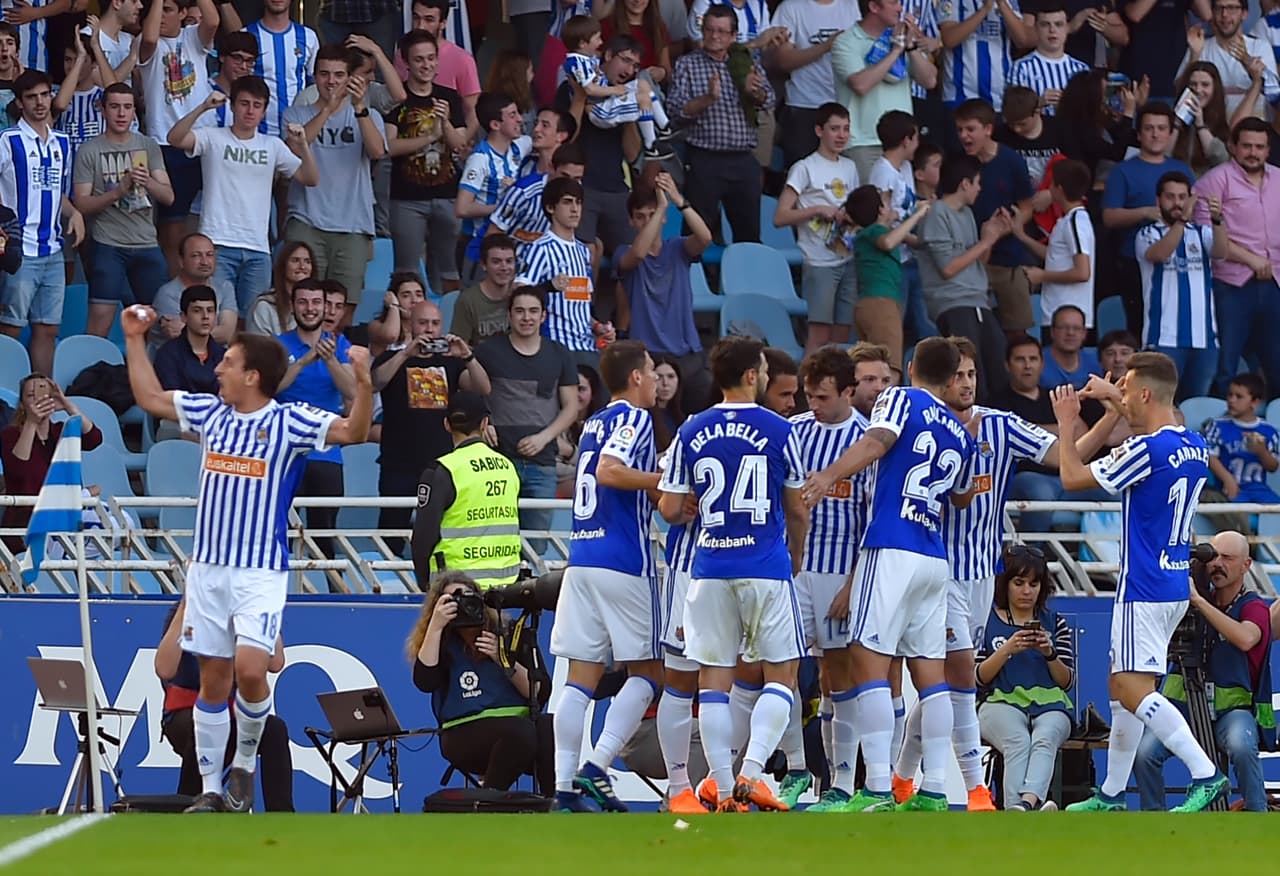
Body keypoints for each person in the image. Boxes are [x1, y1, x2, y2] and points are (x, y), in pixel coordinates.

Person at [121, 305, 372, 813]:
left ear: (252, 376)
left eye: (228, 363)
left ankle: (246, 762)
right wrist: (132, 337)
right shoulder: (211, 414)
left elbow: (354, 433)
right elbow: (148, 397)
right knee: (214, 680)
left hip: (258, 569)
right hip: (208, 568)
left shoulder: (289, 421)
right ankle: (212, 791)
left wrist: (364, 383)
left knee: (252, 671)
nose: (218, 369)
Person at [892, 335, 1114, 810]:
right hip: (934, 572)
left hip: (981, 577)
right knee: (952, 683)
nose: (966, 383)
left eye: (971, 374)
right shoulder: (918, 425)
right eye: (956, 375)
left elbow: (1063, 457)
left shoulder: (1000, 426)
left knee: (947, 686)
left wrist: (1099, 420)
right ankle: (958, 788)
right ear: (937, 379)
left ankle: (903, 781)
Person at [800, 337, 976, 812]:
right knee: (930, 676)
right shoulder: (962, 431)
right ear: (950, 376)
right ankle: (934, 787)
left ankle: (876, 787)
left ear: (911, 368)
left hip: (891, 545)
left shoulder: (899, 399)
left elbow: (878, 441)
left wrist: (826, 474)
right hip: (934, 554)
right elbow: (962, 495)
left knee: (868, 661)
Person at [1051, 352, 1229, 812]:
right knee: (1121, 692)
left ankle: (1205, 772)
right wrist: (1114, 398)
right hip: (1173, 582)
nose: (1124, 397)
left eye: (1128, 390)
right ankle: (1110, 793)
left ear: (1145, 393)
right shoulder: (1192, 444)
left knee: (1132, 689)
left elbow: (1071, 477)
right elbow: (1148, 409)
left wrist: (1068, 423)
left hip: (1143, 585)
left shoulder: (1143, 450)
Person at [657, 336, 808, 813]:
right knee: (782, 675)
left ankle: (722, 791)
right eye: (762, 370)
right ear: (751, 375)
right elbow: (798, 507)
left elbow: (668, 507)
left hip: (708, 568)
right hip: (764, 567)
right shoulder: (780, 429)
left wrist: (693, 507)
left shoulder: (690, 430)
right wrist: (796, 553)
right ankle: (752, 772)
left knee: (712, 683)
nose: (764, 376)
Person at [551, 340, 663, 812]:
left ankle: (562, 789)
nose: (657, 379)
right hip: (623, 560)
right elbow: (610, 473)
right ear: (636, 377)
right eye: (653, 371)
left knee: (580, 678)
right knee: (651, 672)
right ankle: (596, 768)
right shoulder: (634, 418)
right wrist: (664, 481)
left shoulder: (593, 421)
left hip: (581, 556)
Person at [787, 346, 878, 811]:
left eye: (822, 397)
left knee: (837, 679)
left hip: (840, 571)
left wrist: (852, 584)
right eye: (808, 396)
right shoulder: (792, 433)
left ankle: (841, 782)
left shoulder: (868, 442)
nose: (813, 405)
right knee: (781, 673)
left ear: (847, 391)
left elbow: (872, 523)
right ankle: (799, 771)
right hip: (791, 573)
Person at [1133, 530, 1273, 812]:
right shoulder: (1186, 597)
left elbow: (1246, 638)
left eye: (1228, 558)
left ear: (1246, 565)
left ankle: (1259, 816)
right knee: (1144, 753)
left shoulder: (1252, 606)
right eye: (1213, 557)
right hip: (1182, 706)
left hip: (1230, 711)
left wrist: (1199, 602)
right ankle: (1154, 822)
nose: (1217, 564)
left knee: (1242, 746)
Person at [167, 76, 318, 316]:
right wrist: (203, 107)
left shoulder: (273, 145)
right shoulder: (212, 137)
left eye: (257, 105)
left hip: (258, 248)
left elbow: (310, 178)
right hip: (217, 243)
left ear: (264, 110)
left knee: (252, 322)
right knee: (214, 317)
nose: (250, 111)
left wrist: (303, 146)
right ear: (233, 105)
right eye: (244, 103)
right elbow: (174, 138)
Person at [408, 570, 553, 793]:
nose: (463, 605)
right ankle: (489, 800)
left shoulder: (509, 633)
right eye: (453, 600)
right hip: (464, 730)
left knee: (549, 728)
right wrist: (435, 627)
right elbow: (425, 682)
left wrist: (503, 659)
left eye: (469, 597)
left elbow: (540, 693)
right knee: (518, 731)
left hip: (520, 723)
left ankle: (555, 803)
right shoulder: (442, 642)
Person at [156, 599, 294, 811]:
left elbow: (275, 663)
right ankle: (187, 802)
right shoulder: (186, 609)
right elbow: (164, 668)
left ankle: (281, 815)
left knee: (275, 729)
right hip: (185, 709)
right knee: (199, 723)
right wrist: (186, 607)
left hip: (234, 711)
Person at [377, 302, 491, 556]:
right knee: (391, 531)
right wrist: (406, 353)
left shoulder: (450, 363)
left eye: (435, 323)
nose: (429, 329)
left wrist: (467, 356)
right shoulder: (392, 357)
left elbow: (483, 388)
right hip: (399, 463)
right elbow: (376, 382)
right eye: (423, 323)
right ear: (411, 324)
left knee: (438, 530)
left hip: (441, 464)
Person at [283, 43, 387, 316]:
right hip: (307, 219)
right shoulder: (296, 114)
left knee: (344, 308)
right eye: (324, 74)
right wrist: (327, 110)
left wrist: (360, 108)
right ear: (315, 77)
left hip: (353, 224)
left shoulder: (369, 114)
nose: (331, 81)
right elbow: (293, 149)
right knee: (301, 302)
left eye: (339, 75)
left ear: (351, 78)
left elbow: (377, 152)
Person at [474, 287, 580, 545]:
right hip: (497, 461)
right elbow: (469, 395)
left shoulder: (559, 353)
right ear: (509, 315)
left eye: (533, 311)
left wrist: (544, 438)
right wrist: (483, 423)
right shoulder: (489, 350)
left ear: (543, 316)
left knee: (536, 545)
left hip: (542, 463)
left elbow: (571, 407)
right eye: (519, 311)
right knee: (495, 542)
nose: (526, 317)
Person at [975, 545, 1075, 811]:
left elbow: (1067, 682)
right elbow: (977, 678)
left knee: (1046, 736)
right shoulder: (985, 620)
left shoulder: (1055, 622)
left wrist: (1049, 653)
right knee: (1017, 740)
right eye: (1018, 583)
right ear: (1004, 584)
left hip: (1051, 703)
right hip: (999, 703)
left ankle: (1024, 806)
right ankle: (1025, 807)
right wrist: (1007, 649)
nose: (1027, 591)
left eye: (1034, 584)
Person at [0, 71, 86, 378]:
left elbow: (53, 190)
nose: (40, 102)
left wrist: (73, 211)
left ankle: (40, 401)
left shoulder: (62, 143)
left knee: (47, 328)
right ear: (20, 103)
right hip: (20, 249)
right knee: (10, 327)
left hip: (53, 249)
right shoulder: (8, 140)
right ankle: (5, 398)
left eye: (44, 94)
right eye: (32, 97)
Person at [667, 6, 775, 244]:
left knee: (749, 234)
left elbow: (769, 100)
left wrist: (753, 93)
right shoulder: (687, 64)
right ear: (702, 31)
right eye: (709, 30)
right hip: (705, 159)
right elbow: (675, 112)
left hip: (743, 159)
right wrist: (707, 99)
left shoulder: (745, 62)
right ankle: (693, 280)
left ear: (734, 36)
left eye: (722, 31)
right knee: (696, 233)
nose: (715, 36)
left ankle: (746, 280)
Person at [74, 83, 173, 339]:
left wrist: (147, 181)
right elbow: (81, 204)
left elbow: (168, 196)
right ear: (103, 109)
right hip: (108, 244)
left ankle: (154, 377)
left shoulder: (149, 146)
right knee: (100, 323)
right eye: (115, 107)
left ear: (134, 112)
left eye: (127, 107)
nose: (121, 113)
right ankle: (93, 376)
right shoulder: (90, 150)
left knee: (160, 323)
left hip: (146, 243)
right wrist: (118, 192)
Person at [1192, 117, 1280, 399]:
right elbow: (1205, 235)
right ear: (1232, 146)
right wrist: (1252, 260)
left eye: (1259, 147)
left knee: (1277, 362)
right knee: (1225, 365)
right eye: (1246, 146)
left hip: (1276, 282)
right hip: (1231, 285)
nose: (1253, 152)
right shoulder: (1213, 182)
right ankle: (1220, 431)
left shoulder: (1279, 179)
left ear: (1268, 149)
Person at [916, 154, 1012, 403]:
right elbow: (947, 268)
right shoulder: (937, 213)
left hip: (980, 301)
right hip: (953, 302)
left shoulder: (967, 214)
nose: (980, 189)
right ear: (964, 183)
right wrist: (986, 241)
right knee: (969, 371)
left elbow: (978, 260)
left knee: (999, 369)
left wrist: (991, 233)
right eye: (977, 182)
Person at [615, 172, 713, 412]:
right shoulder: (623, 251)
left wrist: (679, 201)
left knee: (700, 409)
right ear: (631, 221)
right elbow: (637, 255)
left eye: (652, 215)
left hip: (687, 351)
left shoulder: (677, 247)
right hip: (647, 354)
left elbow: (705, 237)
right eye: (641, 217)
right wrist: (660, 209)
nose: (648, 221)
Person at [274, 279, 355, 564]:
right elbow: (271, 388)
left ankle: (334, 595)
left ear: (324, 306)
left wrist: (329, 359)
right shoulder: (279, 344)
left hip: (327, 451)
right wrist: (303, 362)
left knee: (325, 534)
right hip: (285, 451)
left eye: (316, 302)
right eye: (303, 302)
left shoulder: (340, 344)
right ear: (293, 306)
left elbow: (352, 391)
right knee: (278, 531)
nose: (310, 309)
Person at [384, 30, 468, 296]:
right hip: (407, 198)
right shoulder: (396, 99)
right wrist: (429, 137)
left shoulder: (449, 96)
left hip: (447, 195)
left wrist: (444, 123)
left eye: (431, 58)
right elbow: (390, 146)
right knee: (405, 272)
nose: (426, 65)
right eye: (419, 59)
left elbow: (459, 144)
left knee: (449, 270)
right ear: (406, 62)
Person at [137, 0, 219, 267]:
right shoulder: (144, 40)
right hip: (162, 143)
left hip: (201, 141)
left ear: (184, 13)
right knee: (169, 231)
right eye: (156, 10)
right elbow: (149, 36)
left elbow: (214, 21)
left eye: (168, 10)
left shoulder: (193, 36)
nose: (160, 16)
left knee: (199, 227)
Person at [773, 102, 860, 354]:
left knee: (842, 333)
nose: (841, 135)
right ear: (819, 131)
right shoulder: (805, 167)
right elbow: (780, 216)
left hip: (848, 255)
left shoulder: (850, 166)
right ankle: (808, 389)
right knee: (819, 334)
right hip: (819, 260)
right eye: (835, 129)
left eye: (845, 129)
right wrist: (816, 210)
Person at [410, 393, 518, 590]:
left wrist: (424, 582)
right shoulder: (507, 466)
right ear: (484, 423)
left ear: (447, 425)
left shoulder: (442, 470)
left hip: (456, 588)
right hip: (506, 587)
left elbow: (423, 536)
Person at [1102, 102, 1193, 336]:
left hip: (1180, 261)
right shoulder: (1123, 171)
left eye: (1162, 128)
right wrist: (1144, 212)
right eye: (1149, 128)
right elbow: (1109, 217)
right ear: (1139, 134)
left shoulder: (1182, 170)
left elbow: (1195, 212)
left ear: (1170, 133)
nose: (1156, 134)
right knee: (1140, 326)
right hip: (1134, 262)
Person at [1135, 171, 1226, 402]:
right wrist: (1182, 220)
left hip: (1204, 339)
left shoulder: (1200, 233)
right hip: (1163, 338)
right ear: (1158, 200)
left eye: (1182, 197)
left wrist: (1217, 220)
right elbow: (1161, 253)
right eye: (1170, 197)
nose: (1177, 203)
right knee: (1161, 405)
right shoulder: (1148, 234)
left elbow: (1221, 252)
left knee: (1197, 404)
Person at [954, 99, 1037, 336]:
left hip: (1008, 260)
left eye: (970, 129)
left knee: (1018, 332)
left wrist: (1004, 228)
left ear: (988, 129)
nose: (964, 136)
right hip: (968, 261)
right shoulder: (957, 162)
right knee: (972, 333)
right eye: (960, 130)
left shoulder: (1011, 161)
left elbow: (1027, 207)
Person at [832, 0, 938, 180]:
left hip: (902, 144)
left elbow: (930, 81)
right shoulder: (847, 42)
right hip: (864, 144)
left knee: (900, 207)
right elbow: (861, 85)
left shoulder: (901, 38)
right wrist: (895, 51)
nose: (900, 8)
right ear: (874, 7)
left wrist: (910, 47)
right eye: (893, 3)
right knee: (872, 206)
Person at [1, 374, 101, 553]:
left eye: (43, 393)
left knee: (120, 525)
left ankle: (68, 557)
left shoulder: (61, 430)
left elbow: (94, 439)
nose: (38, 399)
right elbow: (19, 469)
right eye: (31, 396)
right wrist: (32, 422)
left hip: (66, 516)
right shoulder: (10, 435)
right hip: (27, 521)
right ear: (22, 405)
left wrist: (67, 405)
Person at [515, 176, 609, 366]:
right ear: (551, 208)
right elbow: (518, 293)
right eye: (567, 202)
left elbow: (579, 304)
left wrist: (598, 326)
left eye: (578, 203)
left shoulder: (583, 251)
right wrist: (549, 286)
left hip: (588, 347)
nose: (575, 209)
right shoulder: (541, 248)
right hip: (557, 347)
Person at [847, 185, 931, 380]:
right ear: (880, 210)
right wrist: (917, 215)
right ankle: (888, 407)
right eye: (885, 202)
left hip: (869, 305)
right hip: (881, 305)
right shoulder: (874, 231)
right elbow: (888, 242)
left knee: (871, 366)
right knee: (889, 368)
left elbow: (917, 241)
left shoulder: (877, 232)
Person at [869, 108, 935, 348]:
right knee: (894, 326)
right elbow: (882, 224)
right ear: (906, 140)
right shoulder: (882, 173)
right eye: (915, 138)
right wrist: (914, 239)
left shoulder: (905, 168)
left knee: (925, 324)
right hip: (894, 261)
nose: (917, 144)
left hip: (912, 258)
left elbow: (907, 206)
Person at [560, 18, 671, 160]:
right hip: (583, 172)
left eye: (635, 65)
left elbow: (632, 157)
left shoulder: (620, 86)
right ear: (608, 55)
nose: (630, 71)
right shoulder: (570, 86)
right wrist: (580, 98)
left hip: (616, 178)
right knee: (642, 96)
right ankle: (652, 144)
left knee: (642, 84)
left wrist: (630, 110)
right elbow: (565, 140)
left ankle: (664, 128)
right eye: (626, 60)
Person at [771, 0, 860, 169]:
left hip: (844, 105)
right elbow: (782, 61)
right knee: (801, 174)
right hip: (803, 105)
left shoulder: (850, 5)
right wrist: (827, 46)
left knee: (839, 177)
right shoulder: (791, 8)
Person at [456, 92, 533, 283]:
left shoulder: (521, 145)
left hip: (510, 246)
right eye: (512, 115)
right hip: (479, 244)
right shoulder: (479, 159)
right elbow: (462, 208)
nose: (520, 120)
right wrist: (506, 205)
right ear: (495, 125)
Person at [1014, 159, 1093, 329]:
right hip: (1055, 314)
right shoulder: (1067, 221)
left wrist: (1042, 276)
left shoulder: (1075, 222)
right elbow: (1054, 255)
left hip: (1068, 318)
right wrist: (1022, 236)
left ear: (1059, 189)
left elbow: (1083, 272)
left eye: (1051, 184)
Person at [1177, 0, 1279, 118]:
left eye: (1232, 8)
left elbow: (1274, 94)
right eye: (1219, 8)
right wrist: (1194, 55)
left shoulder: (1260, 47)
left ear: (1244, 14)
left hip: (1252, 130)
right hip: (1209, 128)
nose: (1224, 14)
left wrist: (1254, 72)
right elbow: (1179, 94)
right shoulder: (1199, 46)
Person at [939, 0, 1035, 114]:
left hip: (999, 99)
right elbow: (949, 39)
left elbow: (1023, 40)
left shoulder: (1008, 1)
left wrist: (1002, 5)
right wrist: (985, 9)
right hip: (958, 97)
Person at [242, 0, 319, 138]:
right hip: (257, 135)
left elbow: (315, 86)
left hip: (298, 134)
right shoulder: (247, 35)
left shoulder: (309, 37)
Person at [152, 232, 238, 349]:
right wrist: (192, 332)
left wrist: (188, 330)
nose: (204, 262)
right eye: (196, 256)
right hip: (175, 361)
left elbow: (227, 334)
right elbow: (177, 336)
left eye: (209, 255)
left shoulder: (225, 287)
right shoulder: (167, 294)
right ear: (181, 261)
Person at [1205, 373, 1280, 504]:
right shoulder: (1218, 426)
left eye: (1239, 397)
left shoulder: (1268, 431)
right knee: (1237, 512)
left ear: (1255, 402)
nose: (1231, 400)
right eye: (1230, 394)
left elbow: (1273, 467)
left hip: (1259, 489)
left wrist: (1262, 452)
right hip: (1228, 488)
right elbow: (1210, 456)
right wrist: (1228, 479)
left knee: (1275, 513)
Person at [1007, 4, 1088, 114]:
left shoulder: (1081, 69)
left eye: (1058, 24)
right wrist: (1038, 103)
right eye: (1045, 25)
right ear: (1036, 28)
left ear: (1067, 28)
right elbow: (1011, 113)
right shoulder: (1021, 67)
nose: (1052, 30)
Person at [154, 284, 226, 396]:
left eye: (210, 310)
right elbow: (171, 400)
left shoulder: (224, 355)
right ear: (184, 317)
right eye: (197, 311)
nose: (205, 316)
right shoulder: (167, 355)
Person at [452, 234, 518, 348]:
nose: (504, 267)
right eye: (496, 262)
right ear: (483, 265)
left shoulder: (521, 295)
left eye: (509, 261)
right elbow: (460, 346)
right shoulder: (468, 300)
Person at [1170, 62, 1232, 177]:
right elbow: (1163, 155)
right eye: (1193, 84)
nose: (1198, 90)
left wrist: (1200, 125)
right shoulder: (1171, 118)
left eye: (1205, 85)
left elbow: (1222, 159)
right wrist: (1177, 123)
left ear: (1215, 88)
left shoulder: (1223, 121)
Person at [245, 241, 313, 338]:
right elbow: (258, 348)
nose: (302, 266)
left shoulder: (318, 305)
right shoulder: (265, 306)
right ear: (283, 266)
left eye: (307, 261)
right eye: (295, 260)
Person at [1040, 304, 1102, 389]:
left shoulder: (1095, 363)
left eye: (1076, 328)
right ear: (1052, 332)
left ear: (1084, 333)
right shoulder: (1037, 363)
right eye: (1064, 327)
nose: (1070, 333)